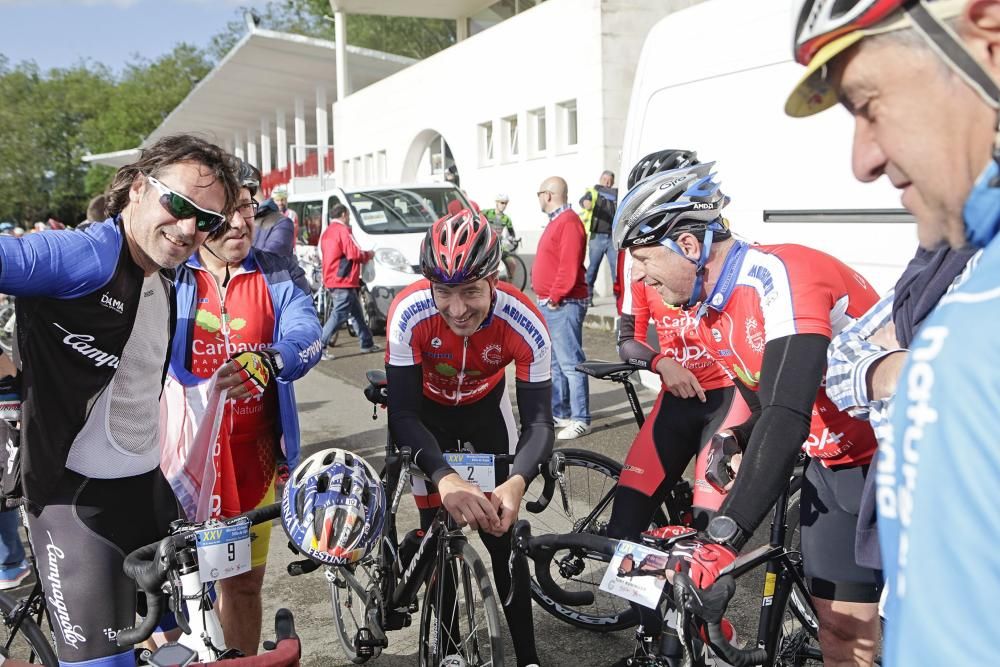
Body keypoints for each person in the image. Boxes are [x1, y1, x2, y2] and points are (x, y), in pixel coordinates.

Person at [785, 1, 1000, 663]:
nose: (862, 161)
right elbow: (845, 355)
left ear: (989, 39)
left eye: (869, 102)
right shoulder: (953, 261)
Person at [614, 160, 883, 666]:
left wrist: (724, 537)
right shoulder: (706, 311)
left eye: (645, 259)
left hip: (901, 464)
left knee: (934, 635)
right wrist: (737, 437)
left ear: (688, 247)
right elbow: (762, 404)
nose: (639, 276)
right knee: (845, 636)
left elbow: (786, 413)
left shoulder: (776, 276)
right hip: (834, 471)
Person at [0, 134, 239, 667]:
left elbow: (152, 368)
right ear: (137, 188)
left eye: (207, 221)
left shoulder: (166, 275)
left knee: (198, 651)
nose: (187, 229)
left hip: (149, 495)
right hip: (76, 505)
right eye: (178, 205)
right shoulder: (83, 255)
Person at [165, 158, 320, 656]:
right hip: (177, 467)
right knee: (175, 595)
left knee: (243, 586)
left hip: (251, 466)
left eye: (248, 207)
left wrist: (273, 357)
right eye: (225, 212)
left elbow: (306, 332)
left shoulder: (273, 271)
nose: (238, 223)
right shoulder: (170, 272)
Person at [385, 209, 553, 667]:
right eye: (444, 292)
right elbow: (401, 413)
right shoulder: (409, 312)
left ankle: (529, 658)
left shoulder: (525, 321)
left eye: (471, 292)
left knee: (503, 535)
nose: (457, 309)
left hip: (484, 413)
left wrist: (516, 482)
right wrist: (443, 476)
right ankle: (448, 650)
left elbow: (539, 424)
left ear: (495, 281)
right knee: (437, 533)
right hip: (424, 418)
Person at [610, 151, 752, 660]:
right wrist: (659, 364)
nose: (644, 256)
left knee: (702, 536)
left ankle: (711, 642)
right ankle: (655, 639)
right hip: (675, 401)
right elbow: (626, 339)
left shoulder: (715, 259)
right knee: (623, 528)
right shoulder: (639, 266)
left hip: (727, 402)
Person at [532, 176, 591, 439]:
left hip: (563, 304)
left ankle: (580, 417)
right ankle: (562, 411)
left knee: (570, 363)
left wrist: (555, 297)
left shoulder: (568, 222)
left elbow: (568, 265)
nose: (538, 199)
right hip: (555, 303)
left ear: (548, 195)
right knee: (556, 363)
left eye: (539, 193)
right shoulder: (560, 221)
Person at [318, 203, 379, 359]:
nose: (349, 218)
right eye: (349, 215)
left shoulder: (327, 232)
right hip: (343, 278)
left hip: (333, 277)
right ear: (344, 215)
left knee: (357, 313)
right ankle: (319, 346)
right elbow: (353, 253)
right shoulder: (343, 231)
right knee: (339, 315)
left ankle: (367, 343)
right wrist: (368, 255)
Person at [583, 170, 619, 299]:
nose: (607, 183)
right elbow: (584, 201)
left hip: (612, 239)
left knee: (616, 271)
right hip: (597, 237)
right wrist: (585, 204)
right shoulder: (593, 192)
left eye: (610, 180)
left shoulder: (617, 194)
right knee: (592, 269)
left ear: (613, 182)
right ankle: (587, 297)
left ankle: (619, 300)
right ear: (600, 179)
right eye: (604, 179)